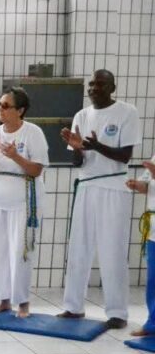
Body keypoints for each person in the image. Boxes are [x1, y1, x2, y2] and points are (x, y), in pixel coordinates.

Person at [59, 70, 141, 329]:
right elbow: (76, 161)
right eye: (92, 84)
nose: (94, 88)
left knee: (112, 249)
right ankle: (73, 307)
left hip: (113, 186)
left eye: (100, 84)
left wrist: (96, 146)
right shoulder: (81, 116)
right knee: (78, 247)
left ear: (112, 87)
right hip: (86, 186)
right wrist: (79, 148)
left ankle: (117, 312)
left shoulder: (127, 112)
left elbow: (125, 156)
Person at [0, 87, 49, 318]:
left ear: (20, 110)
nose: (0, 109)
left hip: (23, 201)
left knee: (21, 251)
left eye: (5, 106)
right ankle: (3, 299)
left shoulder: (32, 133)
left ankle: (23, 302)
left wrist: (15, 156)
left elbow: (37, 169)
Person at [126, 159, 155, 337]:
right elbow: (147, 186)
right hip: (153, 228)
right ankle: (152, 324)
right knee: (153, 278)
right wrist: (137, 185)